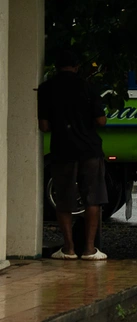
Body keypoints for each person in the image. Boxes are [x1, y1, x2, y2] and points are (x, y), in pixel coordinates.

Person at [37, 49, 109, 260]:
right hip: (90, 150)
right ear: (77, 67)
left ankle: (68, 249)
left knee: (64, 200)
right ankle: (89, 249)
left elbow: (44, 126)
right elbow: (101, 121)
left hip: (63, 149)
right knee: (92, 199)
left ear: (56, 67)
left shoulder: (46, 89)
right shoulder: (87, 87)